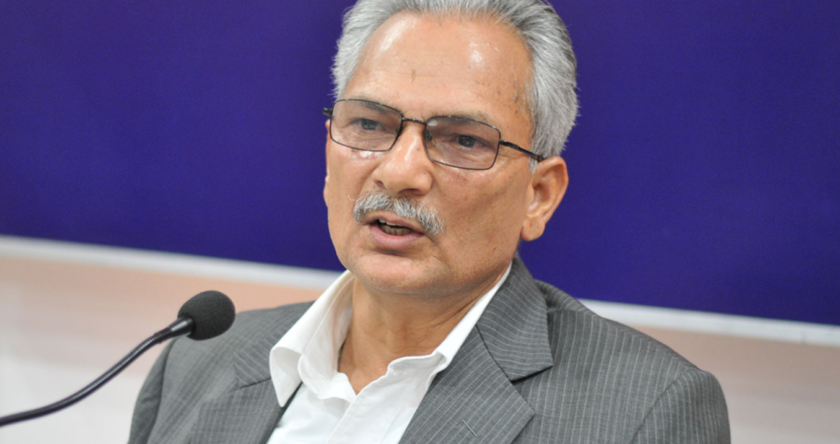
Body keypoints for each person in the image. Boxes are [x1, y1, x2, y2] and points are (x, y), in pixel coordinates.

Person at [128, 0, 731, 442]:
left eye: (464, 139)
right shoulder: (198, 360)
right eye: (370, 125)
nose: (399, 172)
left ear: (539, 196)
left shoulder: (644, 413)